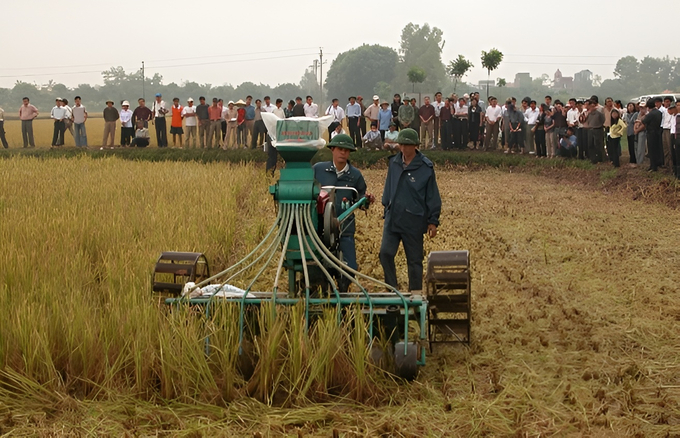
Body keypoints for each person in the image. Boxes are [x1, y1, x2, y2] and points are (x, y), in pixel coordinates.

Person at [380, 128, 441, 292]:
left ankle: (415, 294)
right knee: (385, 254)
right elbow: (389, 186)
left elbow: (432, 195)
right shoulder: (394, 162)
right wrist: (386, 206)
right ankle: (391, 289)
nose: (403, 148)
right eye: (401, 145)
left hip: (414, 220)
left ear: (415, 146)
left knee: (414, 261)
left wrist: (433, 221)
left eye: (407, 145)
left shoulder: (425, 167)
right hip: (393, 218)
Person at [313, 134, 374, 290]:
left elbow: (360, 197)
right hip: (320, 228)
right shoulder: (319, 170)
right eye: (340, 149)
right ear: (332, 149)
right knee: (319, 265)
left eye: (347, 151)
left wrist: (365, 201)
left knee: (349, 267)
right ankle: (325, 292)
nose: (343, 153)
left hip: (345, 227)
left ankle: (343, 291)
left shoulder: (355, 175)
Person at [586, 98, 606, 164]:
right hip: (590, 129)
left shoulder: (599, 113)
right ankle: (593, 159)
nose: (592, 108)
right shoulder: (588, 114)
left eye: (593, 106)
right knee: (590, 145)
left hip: (598, 129)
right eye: (591, 106)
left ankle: (600, 159)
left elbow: (603, 120)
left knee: (598, 145)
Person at [661, 96, 674, 167]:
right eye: (665, 102)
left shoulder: (671, 111)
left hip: (669, 129)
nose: (666, 103)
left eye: (668, 102)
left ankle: (671, 165)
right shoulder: (664, 110)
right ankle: (666, 164)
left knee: (669, 147)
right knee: (665, 147)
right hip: (664, 129)